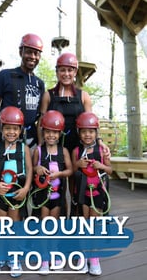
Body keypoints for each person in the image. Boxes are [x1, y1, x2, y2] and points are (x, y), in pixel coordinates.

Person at [38, 52, 109, 216]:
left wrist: (99, 142)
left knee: (77, 184)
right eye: (62, 70)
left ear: (75, 72)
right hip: (57, 146)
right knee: (57, 183)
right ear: (57, 72)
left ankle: (76, 217)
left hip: (78, 146)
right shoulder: (49, 95)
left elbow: (90, 122)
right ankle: (59, 218)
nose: (66, 74)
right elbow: (41, 123)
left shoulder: (83, 96)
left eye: (70, 70)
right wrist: (41, 145)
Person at [0, 106, 32, 278]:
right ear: (2, 129)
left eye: (15, 128)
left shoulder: (24, 149)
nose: (11, 132)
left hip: (17, 195)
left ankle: (14, 258)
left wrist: (26, 188)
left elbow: (29, 169)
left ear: (20, 130)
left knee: (14, 227)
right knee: (0, 227)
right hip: (0, 195)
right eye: (7, 128)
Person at [0, 33, 45, 152]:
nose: (33, 56)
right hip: (7, 137)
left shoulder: (40, 84)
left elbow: (41, 116)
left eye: (36, 53)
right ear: (21, 52)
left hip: (31, 140)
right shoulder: (5, 76)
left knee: (30, 170)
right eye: (29, 52)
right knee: (6, 169)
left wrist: (41, 142)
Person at [29, 110, 73, 274]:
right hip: (42, 197)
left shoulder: (64, 151)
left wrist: (59, 174)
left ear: (60, 133)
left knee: (53, 226)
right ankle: (44, 257)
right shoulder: (38, 151)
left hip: (57, 196)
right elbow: (33, 168)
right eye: (48, 132)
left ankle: (54, 252)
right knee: (43, 225)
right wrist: (37, 168)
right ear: (43, 132)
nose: (51, 135)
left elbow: (69, 170)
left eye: (54, 132)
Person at [71, 112, 112, 276]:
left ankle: (94, 257)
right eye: (84, 131)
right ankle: (83, 254)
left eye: (91, 131)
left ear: (96, 132)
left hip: (97, 193)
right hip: (81, 194)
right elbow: (71, 171)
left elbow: (110, 170)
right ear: (79, 132)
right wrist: (78, 164)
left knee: (94, 225)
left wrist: (100, 166)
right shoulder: (76, 150)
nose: (87, 135)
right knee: (83, 224)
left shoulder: (102, 150)